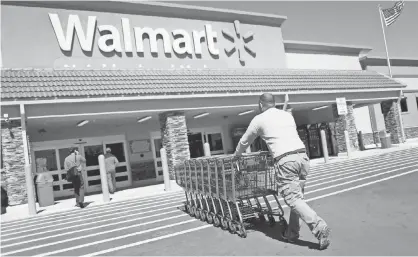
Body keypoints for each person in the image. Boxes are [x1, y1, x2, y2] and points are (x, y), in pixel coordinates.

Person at [234, 93, 331, 250]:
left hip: (286, 161)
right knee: (297, 198)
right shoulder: (286, 115)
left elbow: (245, 141)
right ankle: (291, 233)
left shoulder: (259, 119)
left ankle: (320, 227)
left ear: (260, 105)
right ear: (274, 103)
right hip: (303, 157)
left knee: (293, 200)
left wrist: (237, 155)